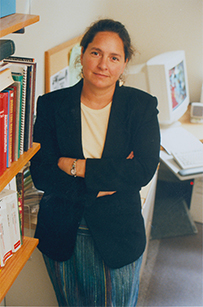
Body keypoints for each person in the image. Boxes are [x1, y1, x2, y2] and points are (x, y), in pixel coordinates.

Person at [30, 18, 160, 307]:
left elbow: (142, 168)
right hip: (61, 230)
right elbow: (41, 173)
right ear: (82, 54)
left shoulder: (140, 106)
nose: (103, 65)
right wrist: (106, 178)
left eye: (114, 57)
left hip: (118, 233)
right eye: (96, 53)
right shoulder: (51, 105)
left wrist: (77, 166)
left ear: (124, 63)